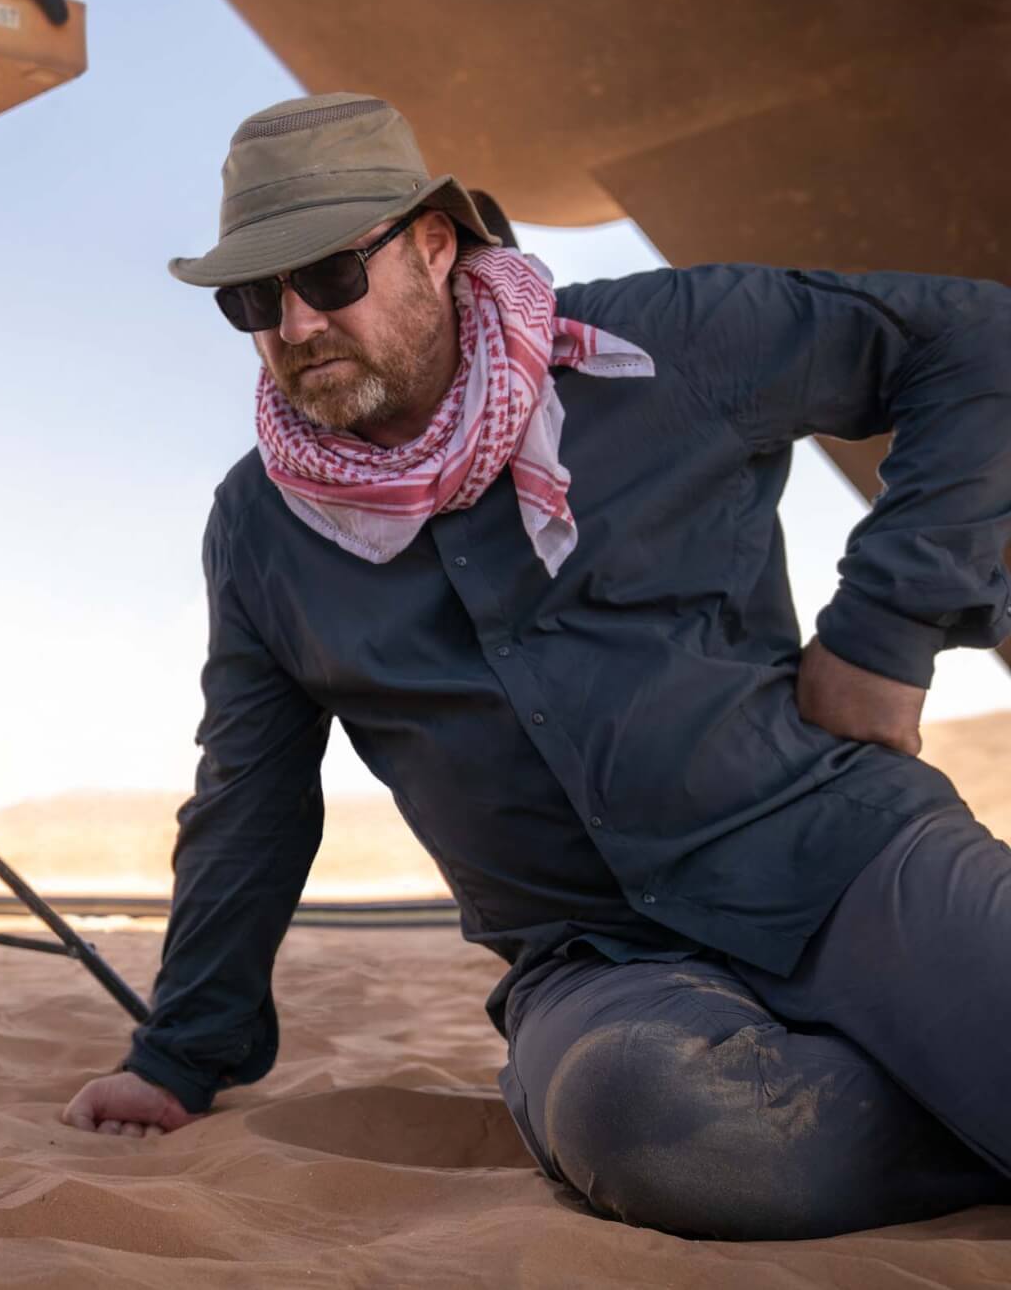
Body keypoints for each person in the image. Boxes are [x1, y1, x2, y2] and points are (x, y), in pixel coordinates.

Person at [60, 92, 1011, 1241]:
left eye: (325, 276)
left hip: (843, 855)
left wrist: (883, 630)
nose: (296, 323)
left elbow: (974, 341)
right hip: (594, 963)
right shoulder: (261, 527)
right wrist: (177, 1058)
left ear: (430, 245)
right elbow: (249, 801)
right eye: (251, 299)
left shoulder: (662, 347)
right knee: (652, 1123)